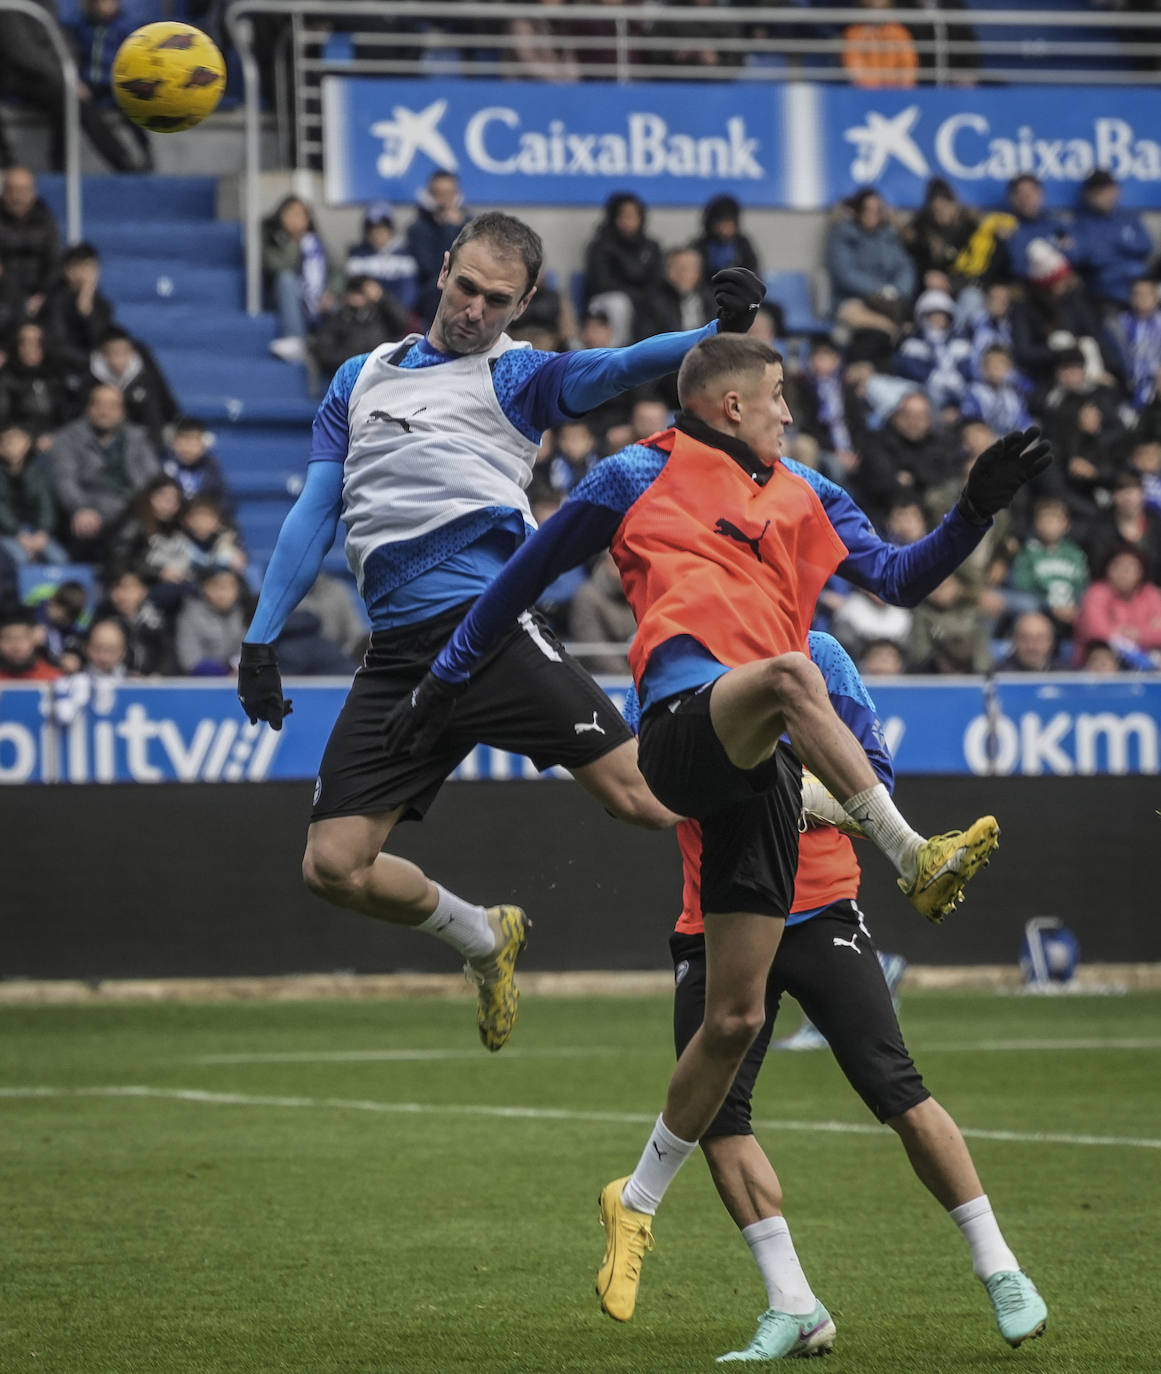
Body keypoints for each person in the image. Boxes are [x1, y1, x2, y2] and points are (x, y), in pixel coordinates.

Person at [382, 333, 1051, 1325]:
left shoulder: (807, 492)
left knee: (732, 1026)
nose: (791, 411)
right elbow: (518, 579)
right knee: (789, 678)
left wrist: (975, 508)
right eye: (778, 396)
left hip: (764, 801)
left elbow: (900, 580)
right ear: (732, 406)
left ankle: (637, 1199)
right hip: (689, 726)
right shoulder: (632, 473)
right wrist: (443, 681)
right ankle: (915, 855)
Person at [235, 212, 769, 1052]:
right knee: (332, 866)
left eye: (497, 300)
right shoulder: (358, 377)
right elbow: (314, 512)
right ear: (442, 269)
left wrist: (715, 333)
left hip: (485, 631)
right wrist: (260, 640)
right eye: (466, 287)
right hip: (401, 658)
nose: (474, 309)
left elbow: (619, 367)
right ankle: (482, 936)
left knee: (645, 799)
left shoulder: (516, 377)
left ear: (519, 306)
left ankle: (819, 800)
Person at [665, 632, 1047, 1359]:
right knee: (714, 1118)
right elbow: (651, 784)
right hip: (710, 920)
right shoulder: (668, 652)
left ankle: (1001, 1268)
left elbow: (870, 780)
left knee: (894, 1088)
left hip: (818, 910)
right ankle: (793, 1306)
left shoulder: (819, 652)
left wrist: (764, 790)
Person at [48, 384, 159, 560]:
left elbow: (153, 477)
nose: (105, 412)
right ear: (89, 408)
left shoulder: (137, 437)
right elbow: (64, 479)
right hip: (90, 508)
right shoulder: (68, 437)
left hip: (132, 507)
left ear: (122, 411)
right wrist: (80, 508)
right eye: (99, 405)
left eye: (112, 406)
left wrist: (152, 504)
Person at [263, 195, 343, 363]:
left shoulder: (315, 242)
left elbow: (337, 271)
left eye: (301, 215)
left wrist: (331, 293)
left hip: (318, 298)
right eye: (292, 214)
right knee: (286, 279)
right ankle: (295, 338)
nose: (296, 219)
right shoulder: (272, 237)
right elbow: (279, 266)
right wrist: (295, 242)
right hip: (287, 297)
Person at [1068, 170, 1154, 311]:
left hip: (1140, 283)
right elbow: (1084, 258)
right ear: (1088, 195)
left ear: (1116, 190)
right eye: (1097, 192)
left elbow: (1146, 246)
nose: (1102, 196)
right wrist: (1124, 247)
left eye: (1106, 190)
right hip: (1105, 290)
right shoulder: (1080, 224)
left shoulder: (1129, 218)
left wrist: (1112, 246)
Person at [86, 327, 179, 452]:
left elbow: (156, 416)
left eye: (124, 353)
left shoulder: (146, 377)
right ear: (103, 354)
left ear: (132, 352)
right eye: (113, 353)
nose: (118, 360)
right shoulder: (89, 379)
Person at [406, 170, 470, 326]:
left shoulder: (470, 225)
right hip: (431, 302)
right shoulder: (418, 229)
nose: (444, 200)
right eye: (438, 194)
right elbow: (431, 268)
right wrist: (447, 228)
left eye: (449, 193)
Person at [41, 242, 115, 373]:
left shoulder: (103, 306)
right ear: (67, 270)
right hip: (58, 370)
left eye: (90, 267)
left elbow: (100, 341)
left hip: (91, 371)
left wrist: (85, 309)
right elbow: (57, 343)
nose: (84, 274)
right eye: (79, 266)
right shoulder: (54, 300)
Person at [0, 420, 66, 565]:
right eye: (6, 441)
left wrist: (43, 532)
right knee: (20, 559)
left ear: (27, 442)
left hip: (35, 531)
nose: (12, 445)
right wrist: (17, 534)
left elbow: (46, 505)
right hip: (6, 532)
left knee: (59, 558)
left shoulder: (39, 471)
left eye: (18, 440)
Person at [0, 166, 60, 312]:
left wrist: (42, 295)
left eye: (23, 190)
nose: (17, 197)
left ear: (33, 192)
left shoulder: (46, 219)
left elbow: (54, 260)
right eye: (11, 190)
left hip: (41, 295)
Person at [0, 606, 61, 679]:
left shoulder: (54, 678)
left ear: (35, 639)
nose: (16, 647)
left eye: (22, 638)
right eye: (8, 638)